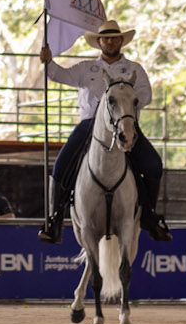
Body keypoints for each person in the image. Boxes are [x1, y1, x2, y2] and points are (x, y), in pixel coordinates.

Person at [37, 19, 171, 245]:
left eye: (114, 38)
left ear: (121, 41)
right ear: (99, 42)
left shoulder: (134, 69)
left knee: (153, 165)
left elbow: (145, 95)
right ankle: (54, 220)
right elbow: (59, 75)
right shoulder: (85, 68)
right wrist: (48, 61)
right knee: (60, 168)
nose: (110, 41)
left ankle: (149, 215)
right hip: (90, 125)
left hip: (124, 123)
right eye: (106, 38)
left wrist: (124, 105)